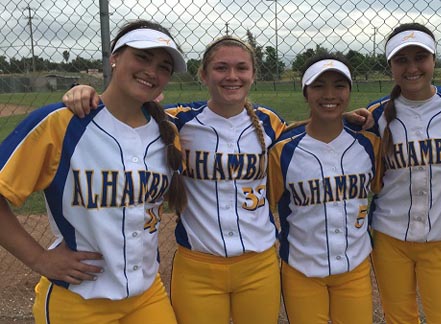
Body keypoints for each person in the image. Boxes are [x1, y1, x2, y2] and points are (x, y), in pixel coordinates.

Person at [61, 35, 374, 324]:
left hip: (259, 265)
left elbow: (304, 134)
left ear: (253, 74)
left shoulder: (268, 122)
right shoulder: (177, 121)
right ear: (203, 74)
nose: (232, 76)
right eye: (221, 67)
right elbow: (128, 111)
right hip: (198, 267)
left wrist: (338, 115)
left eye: (241, 68)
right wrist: (87, 93)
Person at [0, 19, 187, 324]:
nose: (152, 71)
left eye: (163, 66)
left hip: (147, 295)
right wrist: (39, 259)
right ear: (113, 58)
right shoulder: (62, 123)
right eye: (142, 57)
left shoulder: (167, 132)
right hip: (78, 300)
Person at [366, 22, 441, 324]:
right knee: (399, 318)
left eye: (420, 57)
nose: (412, 67)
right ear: (390, 66)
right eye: (401, 59)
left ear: (434, 60)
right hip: (389, 237)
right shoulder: (376, 114)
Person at [267, 54, 382, 324]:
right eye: (318, 86)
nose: (329, 94)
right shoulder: (283, 150)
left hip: (355, 266)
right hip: (300, 270)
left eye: (339, 85)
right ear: (305, 92)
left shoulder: (369, 144)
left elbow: (383, 188)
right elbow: (265, 205)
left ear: (350, 90)